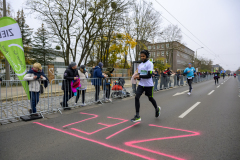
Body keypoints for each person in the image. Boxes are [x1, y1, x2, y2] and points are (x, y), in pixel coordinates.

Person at [131, 50, 161, 122]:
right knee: (136, 97)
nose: (142, 57)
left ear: (147, 56)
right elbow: (140, 74)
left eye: (143, 56)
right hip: (141, 84)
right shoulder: (140, 65)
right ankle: (137, 116)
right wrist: (136, 77)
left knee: (150, 98)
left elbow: (149, 75)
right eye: (141, 56)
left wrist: (139, 76)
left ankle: (157, 108)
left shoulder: (150, 64)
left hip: (149, 85)